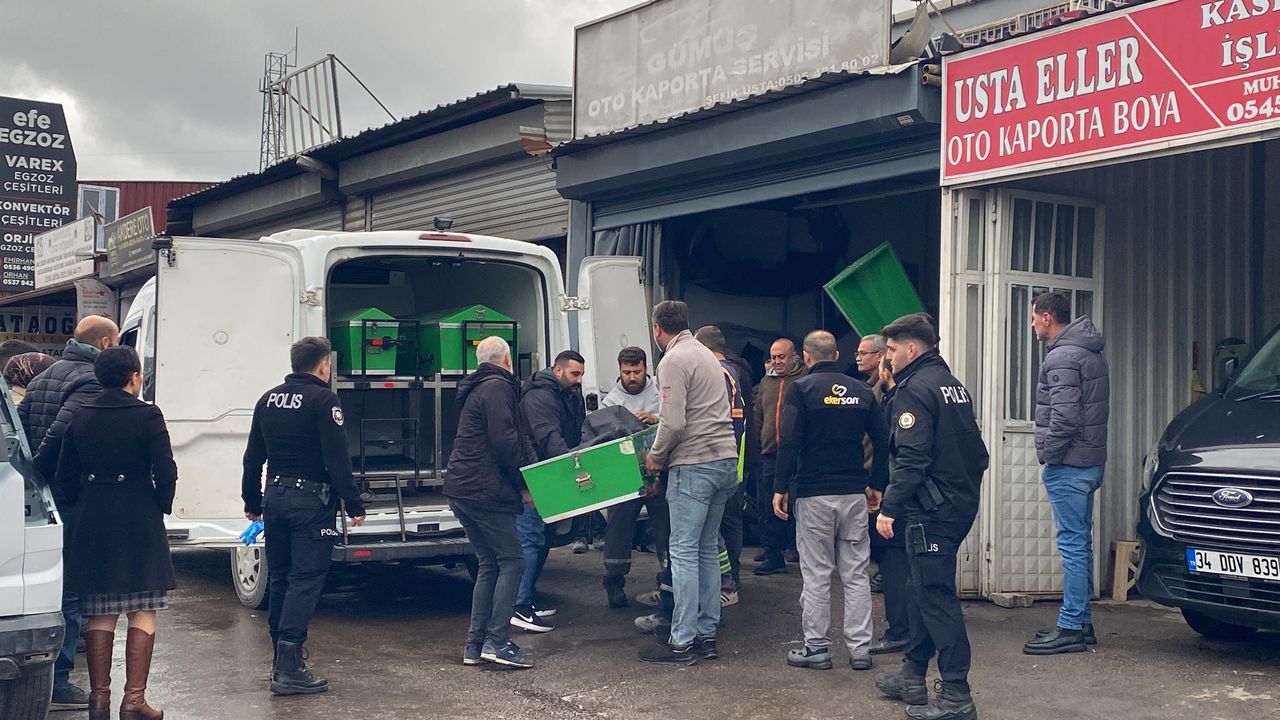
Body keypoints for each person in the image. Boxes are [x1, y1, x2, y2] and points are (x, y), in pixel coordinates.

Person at [874, 313, 988, 720]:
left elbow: (912, 458)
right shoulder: (950, 385)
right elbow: (978, 454)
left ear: (911, 348)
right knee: (920, 587)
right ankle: (912, 674)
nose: (887, 358)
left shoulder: (915, 390)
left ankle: (957, 694)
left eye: (891, 350)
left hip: (930, 511)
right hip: (954, 505)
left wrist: (890, 507)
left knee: (935, 597)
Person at [54, 347, 177, 720]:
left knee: (99, 614)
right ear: (134, 376)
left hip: (93, 519)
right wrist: (160, 504)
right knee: (142, 609)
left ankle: (98, 701)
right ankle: (134, 700)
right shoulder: (148, 415)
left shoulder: (80, 415)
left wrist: (84, 503)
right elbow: (166, 470)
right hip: (139, 517)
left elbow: (63, 476)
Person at [242, 337, 367, 696]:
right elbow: (337, 458)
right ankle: (289, 667)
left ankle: (279, 660)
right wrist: (354, 503)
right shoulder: (324, 400)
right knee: (305, 580)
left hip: (275, 498)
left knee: (281, 579)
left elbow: (253, 457)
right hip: (309, 503)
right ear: (324, 365)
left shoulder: (268, 399)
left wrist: (252, 501)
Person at [20, 315, 119, 712]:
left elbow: (21, 430)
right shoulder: (90, 381)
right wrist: (42, 472)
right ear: (106, 343)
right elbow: (62, 432)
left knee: (50, 584)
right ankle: (59, 680)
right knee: (72, 589)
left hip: (45, 498)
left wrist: (32, 478)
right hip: (70, 495)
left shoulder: (44, 376)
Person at [775, 331, 889, 673]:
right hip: (853, 492)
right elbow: (882, 439)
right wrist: (877, 484)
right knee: (856, 573)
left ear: (807, 357)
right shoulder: (861, 391)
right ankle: (860, 650)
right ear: (837, 355)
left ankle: (817, 648)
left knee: (817, 574)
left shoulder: (800, 390)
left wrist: (780, 486)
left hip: (814, 493)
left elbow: (789, 441)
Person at [638, 301, 739, 665]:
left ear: (657, 329)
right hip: (725, 460)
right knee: (707, 548)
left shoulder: (673, 360)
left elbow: (674, 422)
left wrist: (655, 456)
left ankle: (681, 640)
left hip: (694, 464)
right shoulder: (707, 355)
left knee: (682, 551)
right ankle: (707, 634)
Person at [1024, 291, 1109, 655]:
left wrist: (1048, 454)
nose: (1031, 325)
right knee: (1081, 543)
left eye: (1033, 317)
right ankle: (1082, 622)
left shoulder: (1062, 356)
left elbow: (1066, 416)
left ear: (1047, 317)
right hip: (1089, 462)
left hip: (1070, 466)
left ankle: (1071, 625)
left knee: (1073, 545)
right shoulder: (1089, 351)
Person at [445, 336, 537, 669]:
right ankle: (498, 641)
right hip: (484, 490)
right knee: (513, 561)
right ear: (508, 360)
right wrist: (524, 484)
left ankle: (475, 645)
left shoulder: (478, 387)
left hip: (462, 488)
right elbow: (506, 442)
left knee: (489, 564)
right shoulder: (498, 387)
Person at [514, 350, 586, 631]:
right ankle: (519, 605)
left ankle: (527, 597)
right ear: (558, 370)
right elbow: (548, 436)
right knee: (530, 540)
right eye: (575, 374)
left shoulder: (565, 394)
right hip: (534, 477)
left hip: (547, 475)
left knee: (541, 539)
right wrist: (573, 466)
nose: (579, 380)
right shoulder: (540, 397)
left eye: (581, 374)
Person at [600, 346, 667, 609]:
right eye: (627, 372)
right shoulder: (611, 402)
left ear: (645, 368)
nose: (631, 377)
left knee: (666, 528)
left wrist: (655, 419)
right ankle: (614, 580)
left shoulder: (661, 391)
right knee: (618, 527)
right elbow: (602, 441)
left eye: (636, 371)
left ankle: (668, 580)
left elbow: (675, 420)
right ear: (619, 370)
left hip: (659, 474)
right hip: (626, 477)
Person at [694, 325, 752, 606]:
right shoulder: (737, 372)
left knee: (714, 529)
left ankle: (726, 584)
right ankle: (731, 580)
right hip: (734, 461)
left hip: (718, 462)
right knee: (729, 523)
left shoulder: (717, 373)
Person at [869, 354, 911, 656]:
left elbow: (891, 454)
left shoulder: (897, 402)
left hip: (896, 495)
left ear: (886, 372)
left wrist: (883, 495)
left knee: (893, 563)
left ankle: (900, 631)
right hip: (920, 496)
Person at [753, 337, 805, 575]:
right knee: (768, 505)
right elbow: (758, 415)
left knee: (796, 504)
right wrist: (757, 445)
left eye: (781, 357)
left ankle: (796, 548)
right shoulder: (766, 382)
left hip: (798, 454)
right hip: (770, 454)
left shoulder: (804, 380)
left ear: (794, 356)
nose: (777, 362)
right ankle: (773, 552)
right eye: (773, 357)